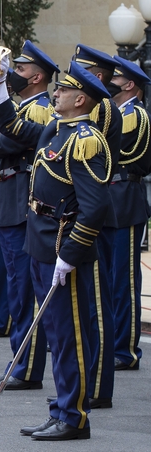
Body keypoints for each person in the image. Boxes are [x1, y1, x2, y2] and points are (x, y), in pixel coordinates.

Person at [0, 56, 110, 441]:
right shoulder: (55, 130)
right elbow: (12, 125)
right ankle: (61, 407)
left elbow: (94, 208)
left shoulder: (87, 140)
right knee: (56, 334)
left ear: (82, 99)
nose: (56, 92)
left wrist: (70, 254)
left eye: (65, 89)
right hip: (39, 236)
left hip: (61, 243)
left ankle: (74, 416)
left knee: (70, 333)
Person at [0, 40, 57, 391]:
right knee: (17, 290)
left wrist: (0, 137)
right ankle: (21, 363)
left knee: (25, 292)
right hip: (8, 205)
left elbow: (5, 141)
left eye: (21, 70)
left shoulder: (39, 108)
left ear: (37, 77)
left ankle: (26, 368)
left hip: (22, 207)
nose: (14, 74)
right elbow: (0, 142)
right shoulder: (22, 106)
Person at [71, 44, 122, 409]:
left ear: (96, 77)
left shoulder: (101, 108)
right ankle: (88, 382)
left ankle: (98, 385)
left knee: (97, 306)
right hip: (87, 210)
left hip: (96, 212)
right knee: (87, 302)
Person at [108, 56, 151, 372]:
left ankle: (125, 349)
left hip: (124, 198)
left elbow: (115, 151)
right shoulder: (117, 113)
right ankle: (112, 342)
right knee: (109, 279)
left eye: (116, 77)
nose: (110, 81)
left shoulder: (133, 114)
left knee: (123, 280)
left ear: (130, 84)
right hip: (111, 199)